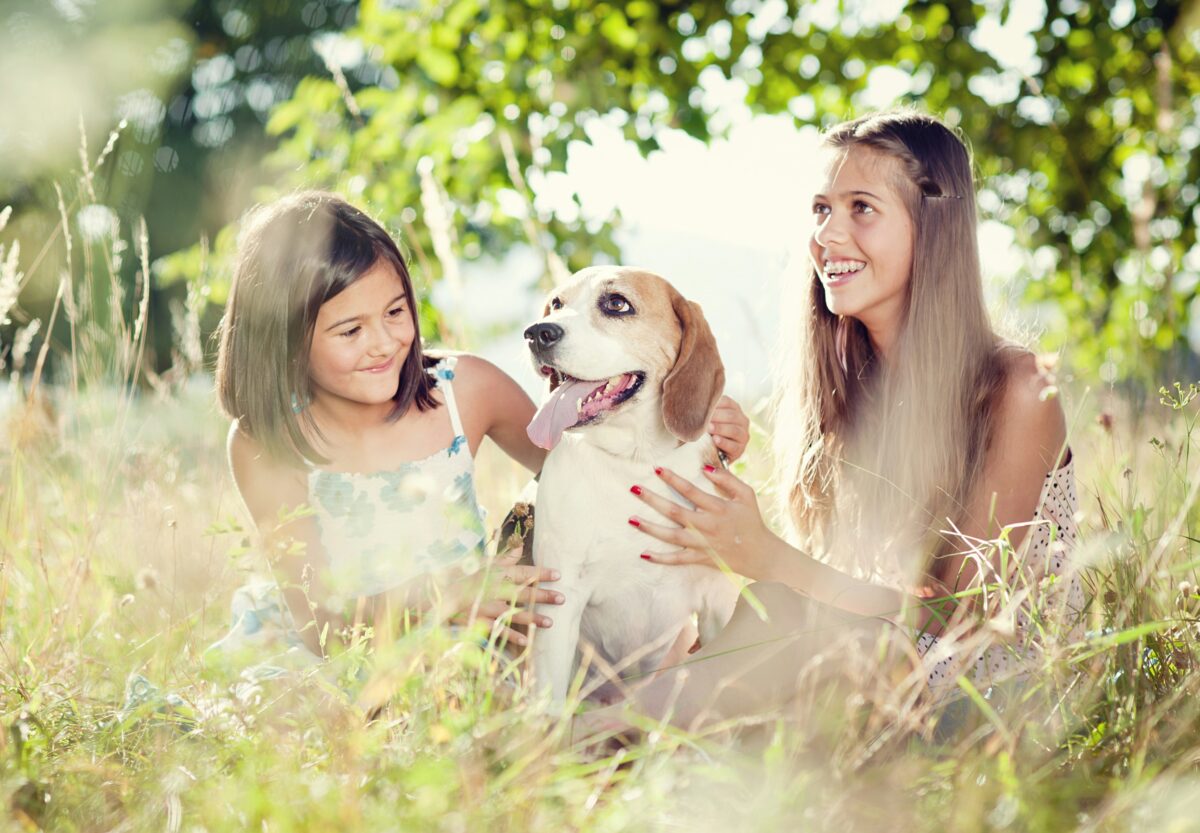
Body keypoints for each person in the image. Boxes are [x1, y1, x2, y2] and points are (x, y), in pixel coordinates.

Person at [607, 110, 1086, 731]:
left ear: (933, 225)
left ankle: (584, 739)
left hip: (1000, 703)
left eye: (861, 207)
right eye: (820, 210)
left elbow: (964, 624)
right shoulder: (845, 390)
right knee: (767, 616)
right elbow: (834, 587)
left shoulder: (1018, 389)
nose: (827, 236)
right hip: (865, 669)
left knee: (796, 620)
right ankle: (608, 741)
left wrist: (766, 555)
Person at [206, 190, 751, 684]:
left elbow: (582, 466)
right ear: (280, 340)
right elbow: (317, 624)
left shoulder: (463, 387)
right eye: (350, 330)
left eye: (396, 312)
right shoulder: (263, 445)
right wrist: (444, 596)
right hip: (346, 663)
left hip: (469, 655)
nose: (383, 343)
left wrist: (701, 435)